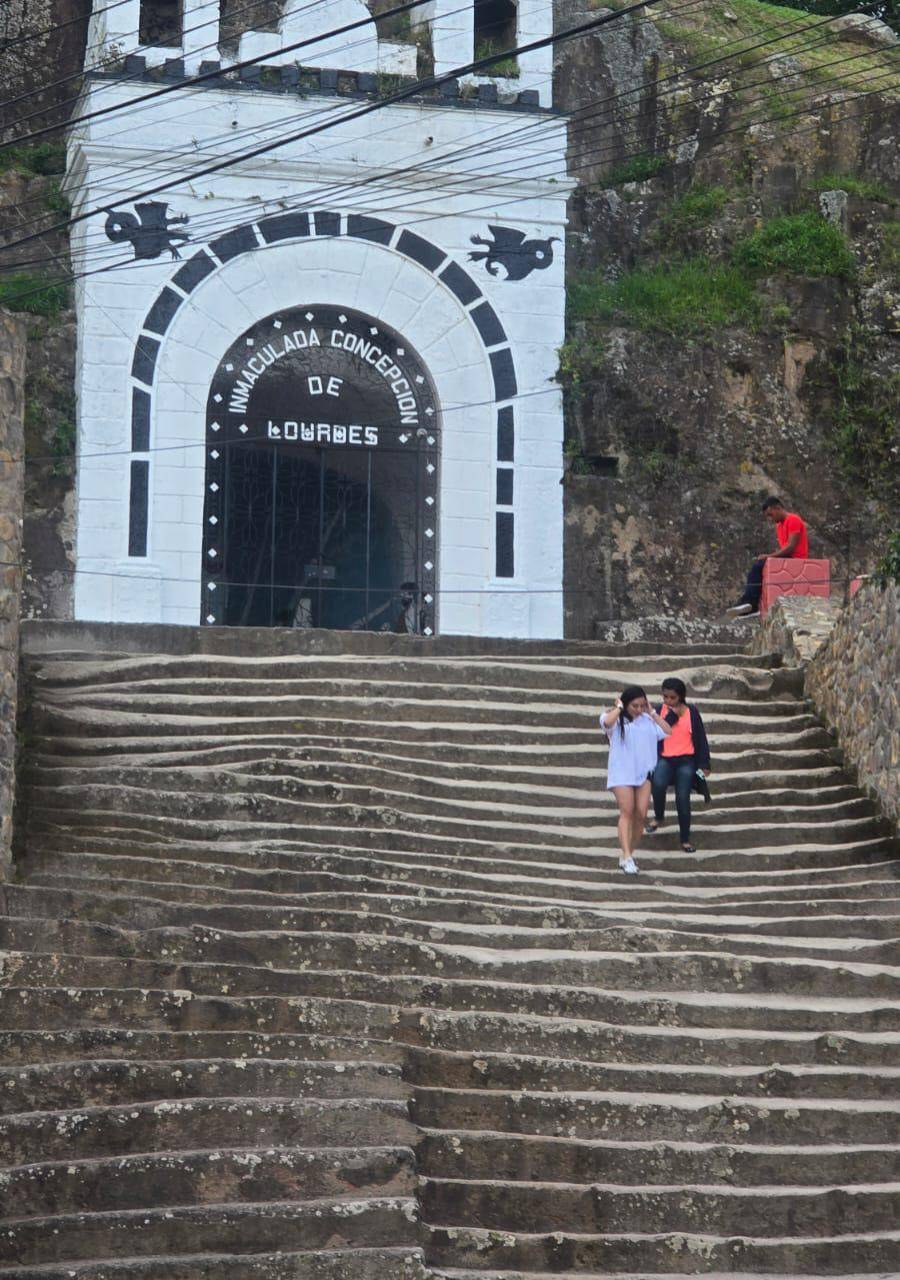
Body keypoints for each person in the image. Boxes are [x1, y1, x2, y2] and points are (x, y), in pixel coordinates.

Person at [600, 685, 672, 875]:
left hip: (643, 773)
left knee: (640, 814)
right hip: (622, 773)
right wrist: (620, 708)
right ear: (626, 703)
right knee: (627, 811)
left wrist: (653, 713)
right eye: (635, 706)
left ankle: (627, 855)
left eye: (642, 705)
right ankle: (627, 855)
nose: (639, 710)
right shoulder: (616, 720)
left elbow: (667, 731)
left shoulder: (648, 720)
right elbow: (606, 723)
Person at [645, 677, 711, 853]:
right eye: (665, 696)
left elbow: (701, 739)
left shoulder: (692, 712)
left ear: (681, 697)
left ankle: (685, 839)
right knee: (657, 784)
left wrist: (704, 764)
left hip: (686, 761)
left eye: (672, 697)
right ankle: (659, 817)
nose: (668, 700)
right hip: (665, 759)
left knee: (683, 798)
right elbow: (655, 732)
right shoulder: (659, 711)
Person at [727, 496, 809, 618]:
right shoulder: (779, 526)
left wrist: (769, 556)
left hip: (797, 559)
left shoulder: (793, 519)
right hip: (788, 558)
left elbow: (790, 547)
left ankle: (751, 604)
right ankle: (749, 602)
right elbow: (784, 549)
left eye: (771, 515)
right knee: (757, 568)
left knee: (758, 566)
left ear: (778, 508)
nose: (770, 519)